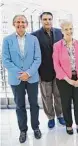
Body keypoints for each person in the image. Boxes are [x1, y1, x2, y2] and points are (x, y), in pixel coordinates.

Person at [2, 15, 42, 143]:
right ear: (14, 24)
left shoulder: (34, 39)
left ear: (27, 24)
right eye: (18, 22)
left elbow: (37, 59)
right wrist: (20, 74)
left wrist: (28, 73)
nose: (20, 24)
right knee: (20, 105)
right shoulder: (7, 40)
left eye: (23, 22)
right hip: (16, 78)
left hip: (32, 78)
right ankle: (23, 130)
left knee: (34, 104)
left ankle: (36, 127)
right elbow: (6, 60)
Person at [31, 12, 65, 129]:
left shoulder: (60, 32)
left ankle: (60, 115)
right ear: (41, 20)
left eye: (49, 19)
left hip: (59, 71)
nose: (47, 21)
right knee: (47, 96)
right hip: (43, 71)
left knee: (59, 95)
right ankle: (50, 117)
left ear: (52, 20)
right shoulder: (34, 35)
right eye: (45, 19)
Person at [53, 21, 78, 135]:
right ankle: (68, 124)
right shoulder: (57, 46)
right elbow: (56, 65)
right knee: (65, 103)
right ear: (62, 31)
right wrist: (68, 80)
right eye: (66, 29)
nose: (69, 31)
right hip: (64, 80)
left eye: (71, 28)